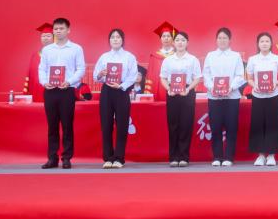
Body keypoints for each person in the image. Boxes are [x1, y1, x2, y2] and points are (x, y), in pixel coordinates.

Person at [38, 17, 86, 169]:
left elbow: (81, 69)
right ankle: (52, 158)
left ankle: (66, 158)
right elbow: (42, 68)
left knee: (67, 125)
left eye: (61, 28)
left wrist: (70, 81)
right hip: (50, 91)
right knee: (52, 126)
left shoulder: (76, 48)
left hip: (67, 91)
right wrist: (44, 82)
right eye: (56, 29)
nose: (58, 31)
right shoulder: (47, 50)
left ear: (68, 30)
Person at [93, 28, 138, 169]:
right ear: (109, 40)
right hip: (107, 91)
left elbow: (133, 76)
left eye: (118, 37)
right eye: (112, 37)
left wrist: (122, 86)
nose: (115, 39)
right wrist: (101, 74)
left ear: (122, 40)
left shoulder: (129, 57)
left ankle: (119, 158)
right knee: (106, 124)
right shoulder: (104, 57)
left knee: (122, 125)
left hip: (122, 91)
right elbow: (95, 76)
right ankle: (108, 158)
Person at [203, 28, 246, 167]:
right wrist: (212, 88)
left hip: (231, 97)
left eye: (225, 38)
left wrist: (231, 88)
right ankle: (217, 157)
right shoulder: (210, 56)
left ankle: (228, 157)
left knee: (231, 127)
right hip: (214, 97)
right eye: (220, 38)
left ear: (229, 40)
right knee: (215, 127)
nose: (222, 40)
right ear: (216, 40)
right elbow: (206, 75)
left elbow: (240, 75)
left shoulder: (236, 56)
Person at [159, 31, 201, 167]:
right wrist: (168, 89)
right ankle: (173, 157)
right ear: (173, 43)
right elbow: (163, 77)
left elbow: (197, 78)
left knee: (186, 124)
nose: (180, 42)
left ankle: (184, 157)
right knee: (173, 125)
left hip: (187, 92)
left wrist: (188, 89)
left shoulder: (193, 59)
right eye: (177, 40)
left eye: (183, 40)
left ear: (187, 43)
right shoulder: (168, 60)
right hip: (172, 93)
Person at [246, 32, 278, 166]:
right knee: (258, 124)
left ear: (271, 44)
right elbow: (249, 78)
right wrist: (255, 85)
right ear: (258, 44)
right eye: (262, 41)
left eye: (267, 41)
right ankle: (260, 155)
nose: (264, 44)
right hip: (258, 96)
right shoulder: (252, 59)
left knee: (273, 124)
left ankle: (271, 155)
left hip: (273, 96)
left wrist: (275, 83)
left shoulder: (277, 59)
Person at [145, 21, 177, 99]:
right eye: (163, 36)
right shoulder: (154, 56)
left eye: (168, 36)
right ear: (160, 39)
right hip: (158, 88)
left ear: (172, 38)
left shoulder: (177, 54)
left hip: (174, 87)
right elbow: (150, 76)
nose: (166, 38)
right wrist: (149, 93)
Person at [23, 22, 53, 102]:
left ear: (54, 37)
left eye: (48, 36)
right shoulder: (35, 55)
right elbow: (30, 75)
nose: (45, 38)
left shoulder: (59, 53)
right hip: (37, 92)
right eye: (43, 36)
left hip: (53, 91)